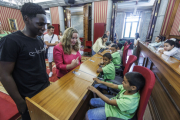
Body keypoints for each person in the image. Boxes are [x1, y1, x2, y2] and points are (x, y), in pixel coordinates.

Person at [0, 3, 50, 120]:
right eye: (40, 24)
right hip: (28, 96)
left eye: (45, 24)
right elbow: (4, 75)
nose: (44, 28)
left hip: (45, 89)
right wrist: (20, 102)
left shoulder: (38, 40)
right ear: (26, 19)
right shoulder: (11, 41)